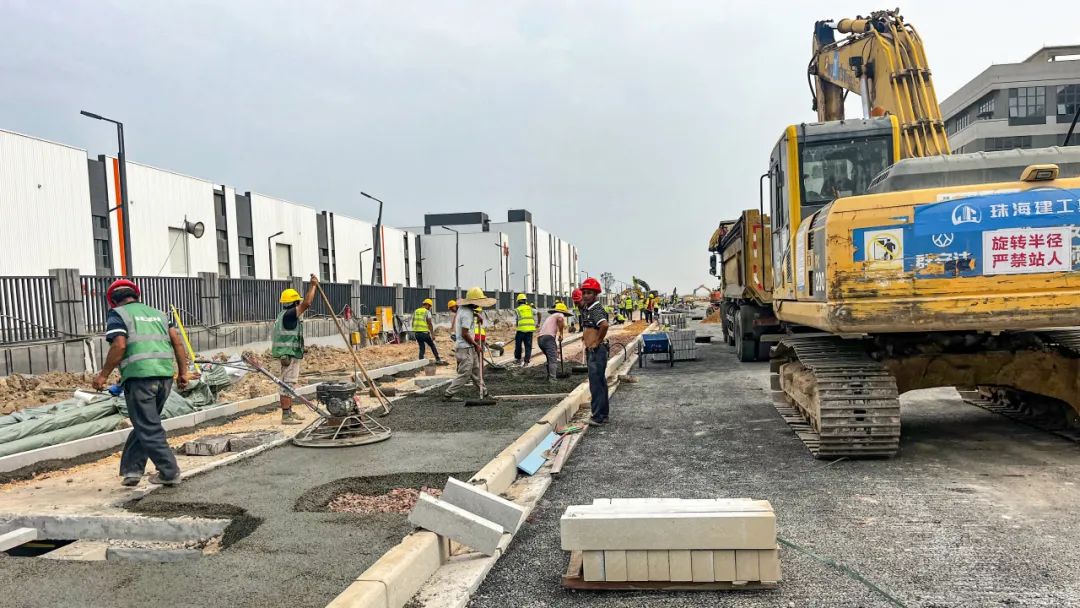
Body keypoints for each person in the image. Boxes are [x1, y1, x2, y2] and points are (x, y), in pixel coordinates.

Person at [92, 279, 193, 487]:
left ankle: (169, 471)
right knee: (144, 423)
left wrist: (103, 375)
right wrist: (183, 373)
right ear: (137, 296)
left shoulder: (117, 314)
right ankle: (133, 470)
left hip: (140, 379)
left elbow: (119, 345)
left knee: (148, 426)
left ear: (113, 301)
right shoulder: (160, 314)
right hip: (164, 377)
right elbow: (177, 343)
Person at [272, 275, 318, 425]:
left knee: (289, 383)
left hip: (288, 354)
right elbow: (307, 303)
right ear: (295, 302)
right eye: (298, 301)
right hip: (289, 356)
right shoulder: (290, 314)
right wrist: (313, 286)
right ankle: (286, 415)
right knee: (287, 384)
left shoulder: (283, 315)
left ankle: (289, 411)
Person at [443, 287, 496, 402]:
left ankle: (484, 392)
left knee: (476, 370)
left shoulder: (464, 309)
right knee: (465, 373)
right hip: (465, 347)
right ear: (473, 302)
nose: (479, 304)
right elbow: (464, 334)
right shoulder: (467, 313)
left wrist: (477, 315)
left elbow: (468, 314)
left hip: (469, 347)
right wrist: (476, 345)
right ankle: (448, 394)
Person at [579, 278, 610, 425]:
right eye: (584, 292)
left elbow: (604, 325)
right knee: (600, 383)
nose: (585, 295)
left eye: (589, 293)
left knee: (596, 384)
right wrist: (586, 336)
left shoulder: (596, 309)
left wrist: (596, 342)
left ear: (596, 294)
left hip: (597, 351)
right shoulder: (588, 308)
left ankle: (597, 416)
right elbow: (592, 327)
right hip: (594, 350)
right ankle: (603, 414)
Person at [537, 301, 568, 382]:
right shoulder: (560, 314)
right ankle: (553, 379)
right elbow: (561, 320)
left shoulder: (551, 317)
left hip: (540, 339)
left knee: (549, 358)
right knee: (553, 359)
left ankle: (549, 376)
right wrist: (561, 334)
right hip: (548, 338)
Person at [412, 298, 446, 366]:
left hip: (417, 333)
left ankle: (420, 362)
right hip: (424, 333)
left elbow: (413, 321)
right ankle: (438, 359)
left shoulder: (416, 311)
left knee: (422, 347)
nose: (430, 308)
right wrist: (432, 334)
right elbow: (429, 323)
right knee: (432, 345)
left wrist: (415, 331)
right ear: (427, 305)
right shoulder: (427, 312)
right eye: (430, 306)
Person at [514, 293, 536, 367]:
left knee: (518, 345)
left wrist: (517, 326)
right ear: (525, 300)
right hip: (530, 330)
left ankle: (518, 360)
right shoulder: (530, 308)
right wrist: (538, 323)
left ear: (518, 301)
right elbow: (539, 313)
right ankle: (526, 362)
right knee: (528, 346)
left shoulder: (517, 309)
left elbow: (517, 320)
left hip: (521, 330)